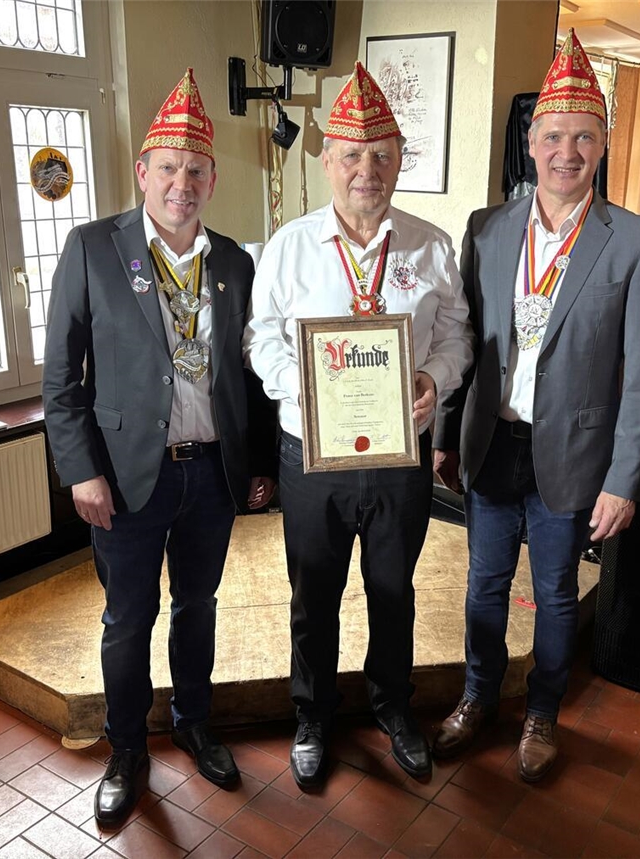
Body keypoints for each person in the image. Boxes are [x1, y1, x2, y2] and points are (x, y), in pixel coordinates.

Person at [431, 30, 640, 783]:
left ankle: (541, 712)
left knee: (558, 593)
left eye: (585, 138)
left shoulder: (635, 242)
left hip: (575, 454)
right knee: (484, 584)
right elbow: (462, 340)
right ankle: (477, 697)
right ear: (530, 144)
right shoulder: (487, 228)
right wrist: (444, 431)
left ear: (602, 146)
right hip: (492, 443)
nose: (568, 151)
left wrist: (625, 478)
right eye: (554, 136)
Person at [42, 69, 276, 828]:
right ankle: (125, 748)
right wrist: (79, 470)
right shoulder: (92, 249)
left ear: (213, 179)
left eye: (196, 170)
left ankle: (193, 720)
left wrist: (262, 465)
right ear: (143, 172)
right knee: (127, 617)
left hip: (209, 472)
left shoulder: (237, 263)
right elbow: (61, 377)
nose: (183, 182)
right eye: (168, 168)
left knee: (199, 606)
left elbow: (254, 372)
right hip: (123, 478)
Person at [245, 62, 473, 788]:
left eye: (381, 155)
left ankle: (393, 708)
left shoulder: (432, 245)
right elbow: (261, 339)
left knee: (392, 590)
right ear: (326, 161)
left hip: (400, 455)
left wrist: (435, 379)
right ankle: (312, 715)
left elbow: (457, 336)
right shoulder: (287, 246)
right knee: (314, 591)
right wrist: (304, 389)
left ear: (400, 160)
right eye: (351, 154)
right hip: (311, 453)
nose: (366, 169)